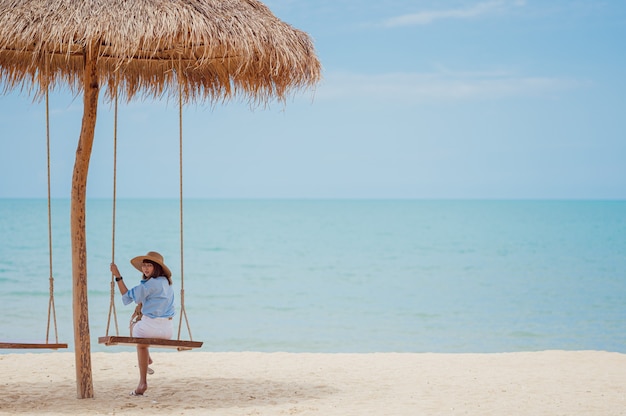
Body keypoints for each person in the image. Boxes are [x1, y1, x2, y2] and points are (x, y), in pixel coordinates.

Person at [110, 251, 175, 396]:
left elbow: (126, 296)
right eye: (144, 266)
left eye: (149, 266)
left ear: (156, 267)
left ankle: (142, 383)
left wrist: (117, 276)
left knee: (135, 330)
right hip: (168, 330)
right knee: (142, 333)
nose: (145, 269)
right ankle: (147, 359)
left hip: (149, 328)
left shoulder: (148, 284)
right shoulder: (167, 283)